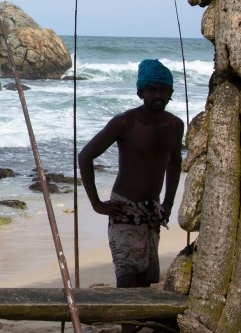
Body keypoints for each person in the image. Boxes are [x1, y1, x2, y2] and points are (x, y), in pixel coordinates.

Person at [78, 59, 183, 317]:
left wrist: (168, 203)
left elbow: (175, 163)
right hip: (123, 209)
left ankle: (137, 326)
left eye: (163, 90)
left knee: (146, 280)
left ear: (170, 93)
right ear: (141, 92)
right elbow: (85, 156)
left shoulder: (175, 126)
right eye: (152, 90)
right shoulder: (125, 123)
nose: (158, 95)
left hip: (152, 213)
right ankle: (127, 327)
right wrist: (97, 204)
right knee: (126, 278)